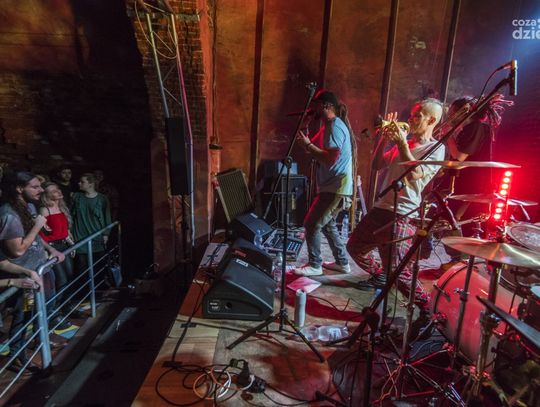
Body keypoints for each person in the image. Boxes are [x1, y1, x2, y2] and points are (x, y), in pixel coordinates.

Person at [347, 99, 445, 311]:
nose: (411, 119)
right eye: (412, 115)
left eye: (417, 116)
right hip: (381, 207)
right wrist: (384, 139)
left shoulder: (436, 148)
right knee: (354, 247)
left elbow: (415, 174)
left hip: (402, 212)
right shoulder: (406, 143)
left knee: (399, 271)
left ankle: (428, 309)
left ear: (431, 120)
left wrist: (401, 144)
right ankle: (381, 275)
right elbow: (376, 165)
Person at [438, 94, 513, 269]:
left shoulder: (476, 127)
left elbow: (460, 157)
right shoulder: (471, 128)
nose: (449, 115)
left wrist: (448, 136)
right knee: (450, 219)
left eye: (452, 112)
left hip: (473, 186)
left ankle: (461, 262)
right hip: (466, 184)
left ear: (464, 112)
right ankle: (458, 260)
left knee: (456, 221)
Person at [0, 171, 65, 370]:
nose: (41, 190)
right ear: (19, 189)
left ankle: (39, 341)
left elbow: (35, 239)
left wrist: (51, 249)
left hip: (41, 268)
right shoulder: (9, 215)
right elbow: (17, 250)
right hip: (26, 275)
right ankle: (17, 355)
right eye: (35, 187)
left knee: (43, 310)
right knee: (23, 316)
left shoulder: (28, 206)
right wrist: (37, 226)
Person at [293, 90, 355, 277]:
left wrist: (308, 145)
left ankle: (315, 265)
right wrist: (305, 127)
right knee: (327, 225)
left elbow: (330, 158)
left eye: (316, 105)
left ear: (326, 106)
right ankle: (342, 263)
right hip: (333, 186)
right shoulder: (329, 126)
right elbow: (310, 148)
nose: (314, 108)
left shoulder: (335, 126)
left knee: (311, 224)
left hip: (336, 187)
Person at [39, 182, 75, 328]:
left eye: (58, 189)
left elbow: (64, 229)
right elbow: (40, 235)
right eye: (53, 191)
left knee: (70, 277)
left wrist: (71, 242)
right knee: (61, 280)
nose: (58, 192)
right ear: (46, 195)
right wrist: (48, 250)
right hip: (52, 247)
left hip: (64, 245)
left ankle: (66, 307)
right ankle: (53, 314)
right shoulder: (44, 209)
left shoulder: (61, 206)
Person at [71, 173, 111, 286]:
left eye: (82, 182)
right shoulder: (77, 197)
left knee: (98, 266)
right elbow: (71, 215)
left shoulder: (102, 199)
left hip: (96, 237)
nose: (79, 183)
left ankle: (99, 289)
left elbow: (107, 217)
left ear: (90, 184)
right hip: (80, 237)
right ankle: (85, 291)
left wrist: (106, 234)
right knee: (82, 268)